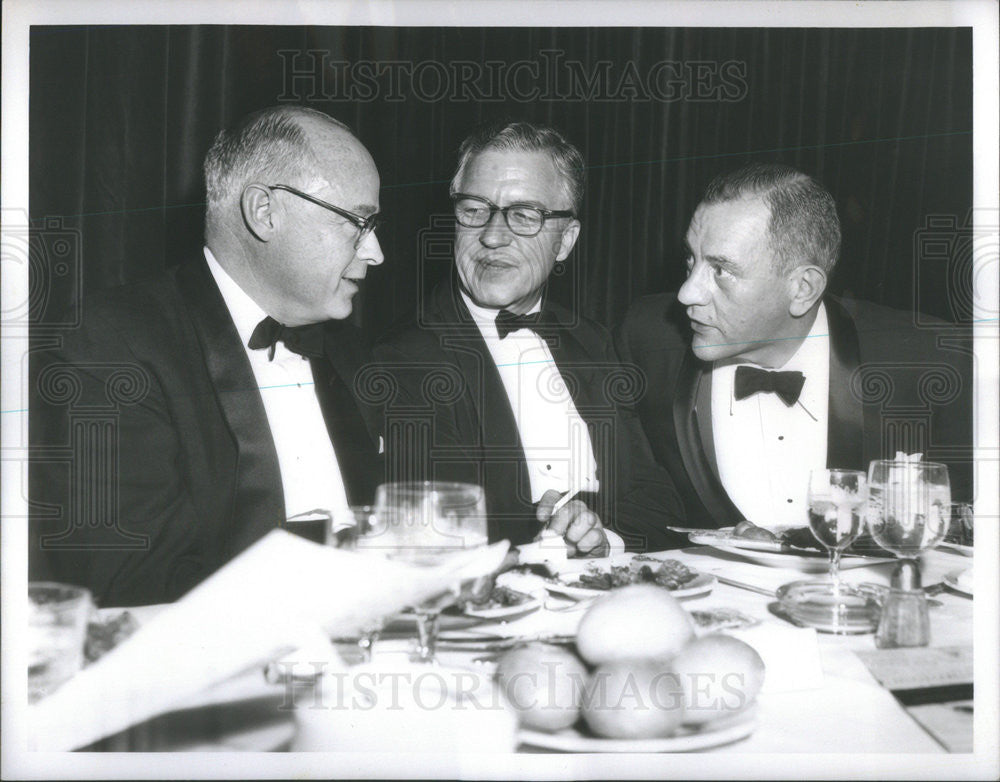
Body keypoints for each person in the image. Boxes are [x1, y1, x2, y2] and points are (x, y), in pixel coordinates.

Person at [29, 106, 386, 605]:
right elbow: (136, 585)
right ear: (265, 212)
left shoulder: (349, 348)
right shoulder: (108, 345)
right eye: (358, 222)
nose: (375, 252)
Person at [373, 121, 685, 555]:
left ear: (565, 241)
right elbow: (438, 531)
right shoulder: (401, 357)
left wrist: (604, 539)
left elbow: (655, 497)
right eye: (474, 209)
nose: (492, 236)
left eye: (524, 215)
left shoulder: (593, 342)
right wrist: (555, 544)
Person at [616, 162, 973, 528]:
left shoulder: (930, 359)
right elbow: (638, 500)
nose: (686, 292)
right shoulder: (648, 336)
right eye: (691, 259)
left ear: (803, 288)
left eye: (721, 270)